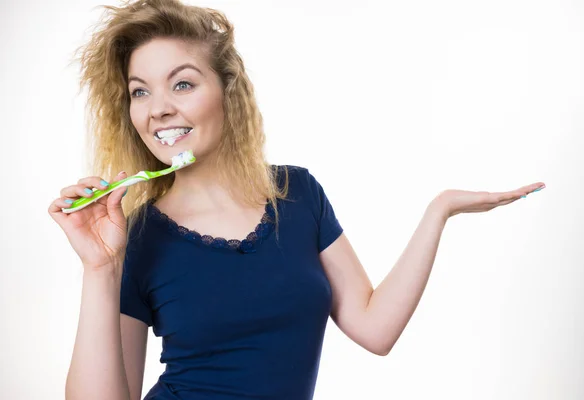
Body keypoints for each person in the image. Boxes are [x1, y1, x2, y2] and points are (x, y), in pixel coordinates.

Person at [48, 0, 545, 399]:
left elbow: (375, 329)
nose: (159, 109)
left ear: (227, 90)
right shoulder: (136, 236)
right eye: (140, 92)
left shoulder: (297, 193)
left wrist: (440, 210)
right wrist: (100, 268)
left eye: (182, 83)